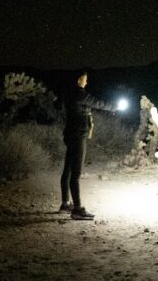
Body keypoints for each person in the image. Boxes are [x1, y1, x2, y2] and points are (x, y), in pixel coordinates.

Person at [60, 71, 115, 220]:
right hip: (78, 135)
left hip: (71, 134)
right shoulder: (79, 94)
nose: (86, 82)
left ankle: (65, 203)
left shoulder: (70, 93)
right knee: (76, 173)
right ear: (78, 80)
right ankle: (77, 209)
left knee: (68, 170)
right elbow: (97, 103)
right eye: (85, 80)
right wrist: (114, 107)